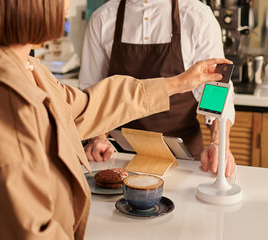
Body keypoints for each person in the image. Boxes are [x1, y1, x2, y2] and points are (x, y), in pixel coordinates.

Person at [0, 0, 231, 239]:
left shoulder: (20, 67)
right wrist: (101, 137)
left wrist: (177, 83)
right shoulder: (5, 103)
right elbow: (25, 228)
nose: (68, 3)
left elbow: (84, 106)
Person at [79, 0, 237, 176]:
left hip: (183, 160)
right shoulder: (103, 18)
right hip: (120, 159)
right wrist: (98, 138)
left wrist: (218, 142)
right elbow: (91, 91)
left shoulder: (197, 15)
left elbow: (214, 88)